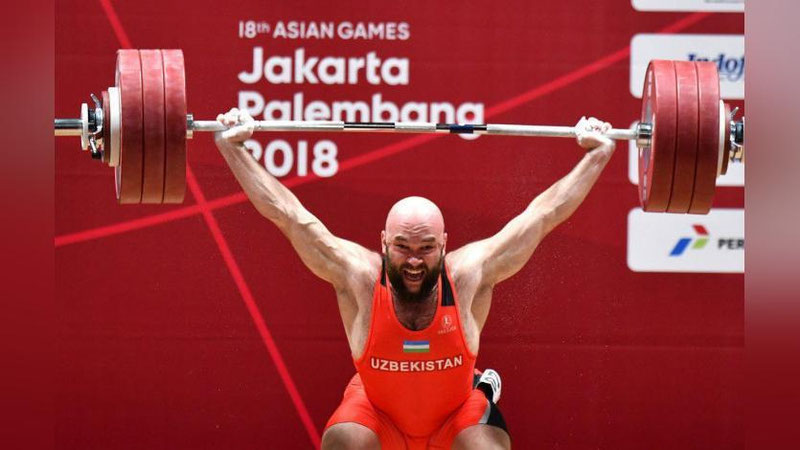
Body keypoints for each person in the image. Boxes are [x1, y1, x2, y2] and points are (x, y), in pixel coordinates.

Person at [214, 109, 615, 450]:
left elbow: (542, 215)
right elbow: (289, 215)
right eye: (403, 246)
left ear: (444, 244)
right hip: (378, 415)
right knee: (341, 444)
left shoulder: (468, 275)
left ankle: (481, 388)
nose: (413, 261)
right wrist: (233, 148)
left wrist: (597, 155)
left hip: (456, 416)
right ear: (383, 242)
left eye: (426, 248)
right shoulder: (358, 277)